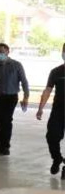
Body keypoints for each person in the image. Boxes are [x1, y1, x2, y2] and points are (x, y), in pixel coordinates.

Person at [36, 43, 65, 179]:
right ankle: (57, 158)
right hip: (58, 111)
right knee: (52, 137)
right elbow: (48, 90)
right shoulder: (56, 72)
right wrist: (40, 108)